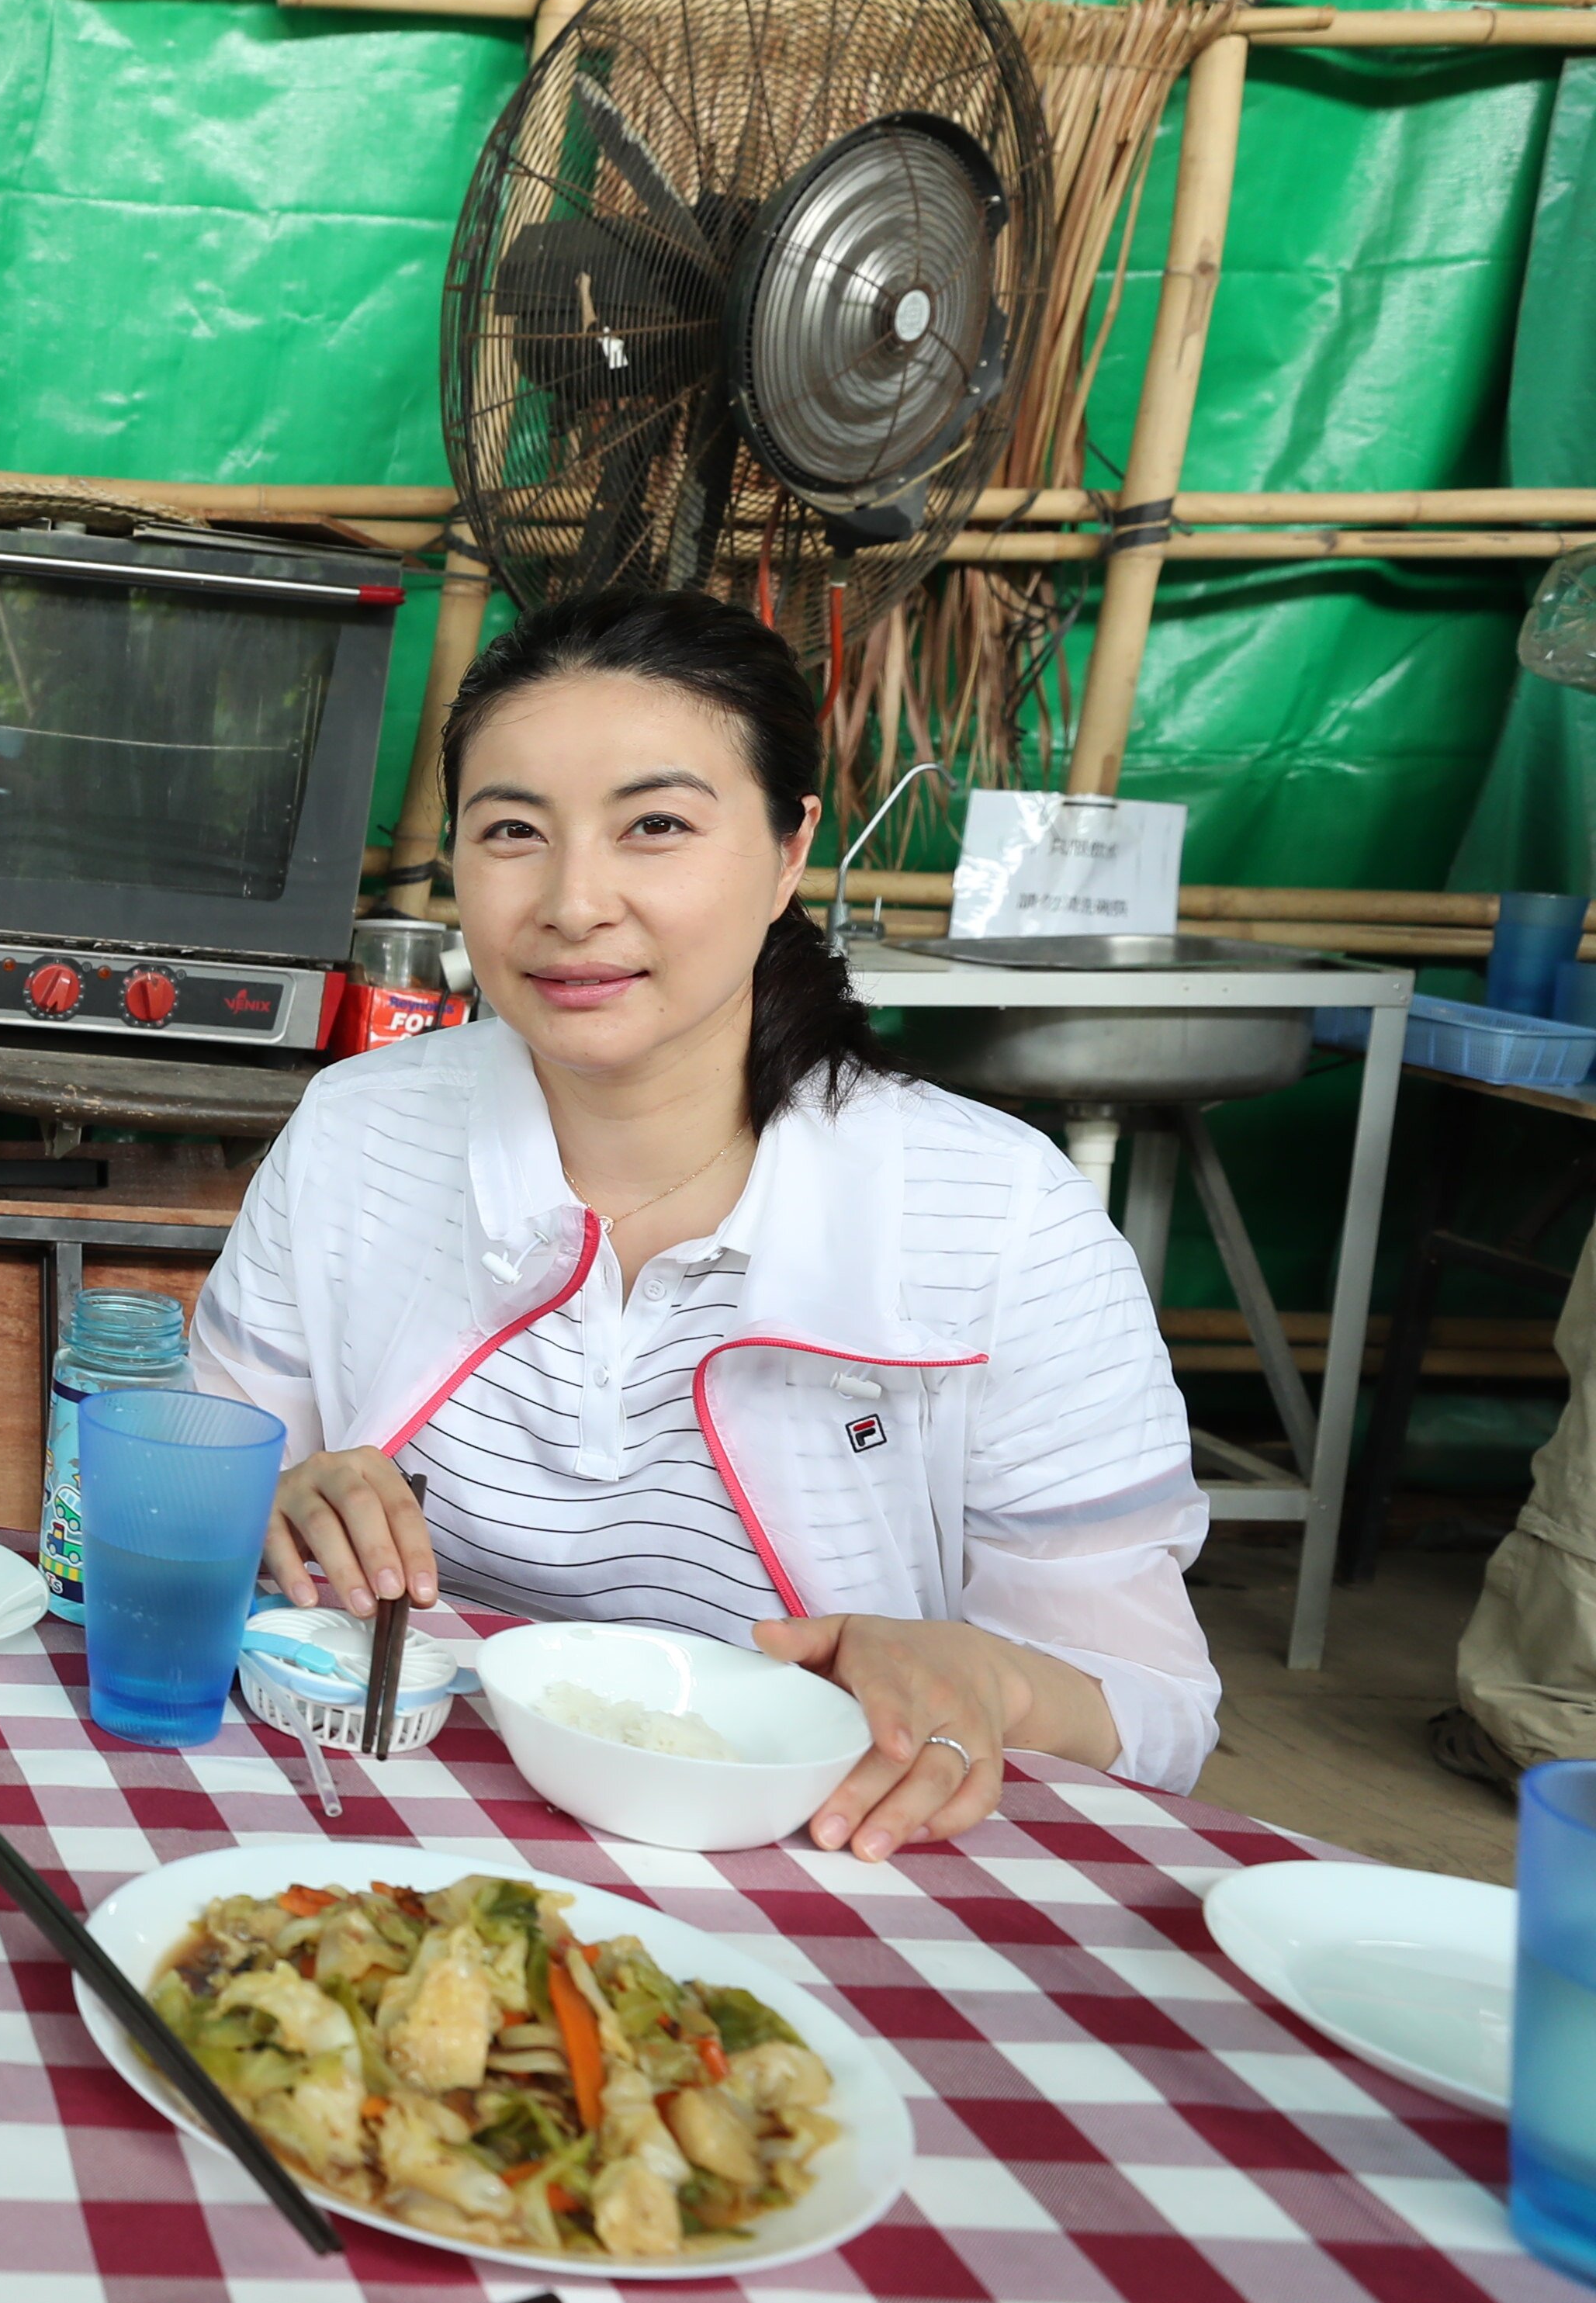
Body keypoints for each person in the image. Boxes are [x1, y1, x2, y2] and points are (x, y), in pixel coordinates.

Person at [192, 587, 1219, 1857]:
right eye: (512, 828)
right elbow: (191, 1499)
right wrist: (268, 1504)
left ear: (789, 852)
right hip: (392, 1816)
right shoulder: (358, 1134)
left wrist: (985, 1678)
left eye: (656, 825)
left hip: (822, 1853)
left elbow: (1159, 1708)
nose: (573, 902)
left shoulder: (998, 1219)